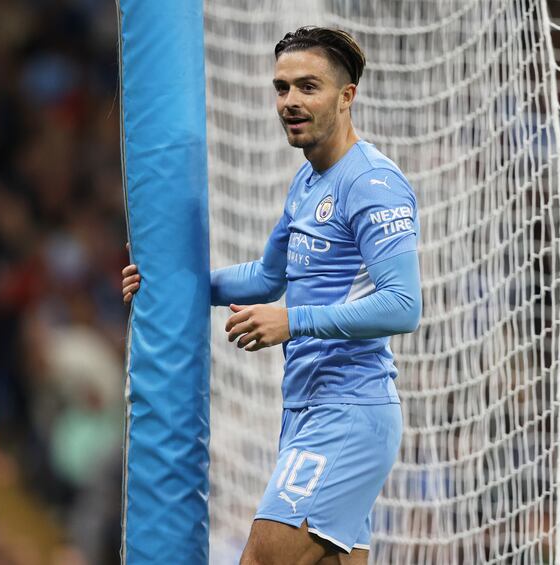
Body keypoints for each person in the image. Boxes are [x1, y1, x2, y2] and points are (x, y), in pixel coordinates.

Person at [121, 26, 421, 565]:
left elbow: (403, 304)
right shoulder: (306, 182)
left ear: (346, 96)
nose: (290, 102)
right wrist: (168, 285)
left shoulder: (373, 183)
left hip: (347, 412)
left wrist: (292, 321)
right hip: (308, 410)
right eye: (281, 88)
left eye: (308, 87)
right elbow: (265, 277)